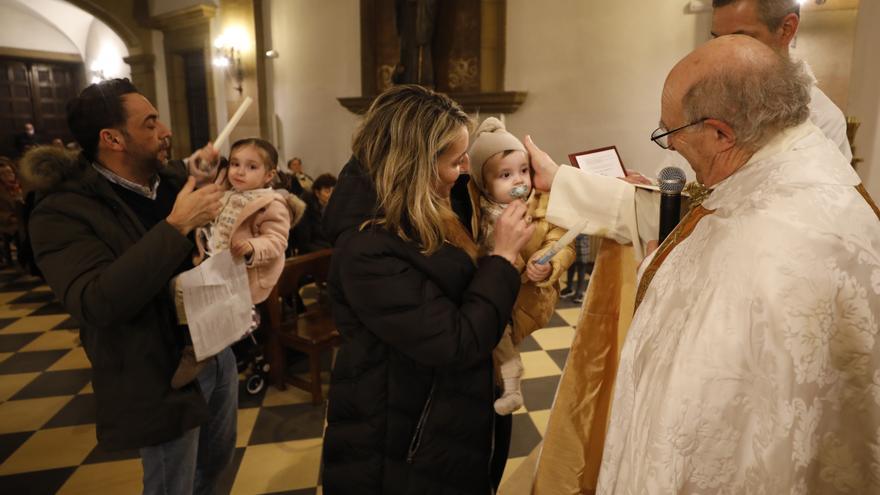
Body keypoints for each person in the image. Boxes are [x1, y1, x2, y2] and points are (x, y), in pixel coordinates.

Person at [527, 35, 880, 493]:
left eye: (670, 134)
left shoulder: (762, 247)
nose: (671, 150)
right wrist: (560, 180)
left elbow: (702, 435)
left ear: (720, 133)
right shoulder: (794, 169)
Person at [21, 78, 238, 495]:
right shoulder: (62, 211)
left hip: (213, 349)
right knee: (171, 485)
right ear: (112, 138)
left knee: (216, 468)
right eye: (151, 123)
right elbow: (96, 301)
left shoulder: (170, 182)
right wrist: (176, 226)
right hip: (153, 369)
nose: (165, 131)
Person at [321, 84, 535, 494]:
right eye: (456, 161)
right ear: (415, 164)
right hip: (402, 448)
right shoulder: (367, 248)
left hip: (439, 426)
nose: (464, 171)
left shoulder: (422, 208)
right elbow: (454, 341)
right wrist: (503, 258)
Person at [170, 137, 300, 389]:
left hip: (241, 272)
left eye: (252, 167)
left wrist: (252, 247)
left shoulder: (271, 204)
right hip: (213, 262)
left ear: (268, 175)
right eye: (236, 164)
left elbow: (276, 241)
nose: (240, 171)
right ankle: (193, 341)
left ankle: (198, 350)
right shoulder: (228, 192)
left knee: (193, 297)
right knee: (178, 289)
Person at [466, 117, 574, 415]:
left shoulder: (542, 203)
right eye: (505, 175)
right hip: (493, 296)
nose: (519, 181)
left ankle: (508, 384)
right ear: (483, 184)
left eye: (524, 171)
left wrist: (548, 265)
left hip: (526, 297)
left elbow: (561, 238)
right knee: (494, 340)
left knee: (500, 336)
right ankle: (510, 386)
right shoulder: (476, 211)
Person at [711, 0, 852, 161]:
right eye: (717, 39)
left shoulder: (822, 119)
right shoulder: (702, 94)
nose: (722, 54)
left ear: (786, 29)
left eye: (739, 38)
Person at [293, 173, 335, 254]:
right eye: (327, 191)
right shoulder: (305, 209)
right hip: (312, 255)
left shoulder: (333, 207)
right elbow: (304, 243)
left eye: (334, 191)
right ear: (317, 193)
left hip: (328, 250)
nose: (331, 195)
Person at [560, 234, 590, 304]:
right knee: (570, 264)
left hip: (582, 239)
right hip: (571, 237)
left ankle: (580, 292)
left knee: (581, 265)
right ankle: (569, 288)